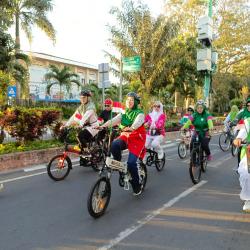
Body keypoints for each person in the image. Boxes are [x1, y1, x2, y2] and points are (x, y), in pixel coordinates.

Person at [99, 92, 146, 195]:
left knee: (131, 163)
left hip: (137, 138)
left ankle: (136, 185)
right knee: (114, 145)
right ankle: (120, 167)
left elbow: (137, 122)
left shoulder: (140, 113)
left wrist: (132, 128)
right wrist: (102, 126)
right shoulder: (124, 112)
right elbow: (114, 120)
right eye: (128, 99)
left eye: (132, 100)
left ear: (136, 102)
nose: (129, 102)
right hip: (126, 136)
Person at [233, 117, 250, 212]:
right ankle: (248, 199)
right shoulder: (248, 121)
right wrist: (238, 138)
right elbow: (243, 132)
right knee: (246, 173)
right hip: (249, 152)